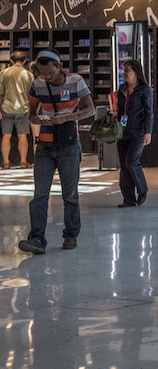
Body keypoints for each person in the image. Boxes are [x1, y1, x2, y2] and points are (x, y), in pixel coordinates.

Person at [18, 49, 94, 254]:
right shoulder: (38, 84)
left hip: (69, 146)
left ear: (59, 66)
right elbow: (31, 113)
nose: (46, 77)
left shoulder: (76, 81)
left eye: (50, 73)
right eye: (43, 73)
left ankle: (71, 234)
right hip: (44, 146)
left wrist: (67, 117)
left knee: (70, 194)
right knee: (40, 195)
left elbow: (90, 109)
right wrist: (37, 119)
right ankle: (37, 238)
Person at [115, 59, 153, 208]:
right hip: (122, 132)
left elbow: (149, 112)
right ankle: (128, 199)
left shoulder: (145, 90)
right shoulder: (121, 89)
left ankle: (142, 189)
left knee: (131, 162)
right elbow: (119, 110)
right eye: (124, 70)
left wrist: (148, 132)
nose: (124, 73)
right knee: (124, 167)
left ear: (136, 72)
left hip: (138, 132)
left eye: (127, 70)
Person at [1, 50, 34, 169]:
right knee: (22, 135)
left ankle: (6, 162)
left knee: (6, 135)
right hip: (23, 108)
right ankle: (23, 162)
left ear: (11, 60)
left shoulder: (4, 73)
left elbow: (0, 92)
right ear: (24, 61)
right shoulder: (28, 74)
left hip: (7, 107)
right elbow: (32, 93)